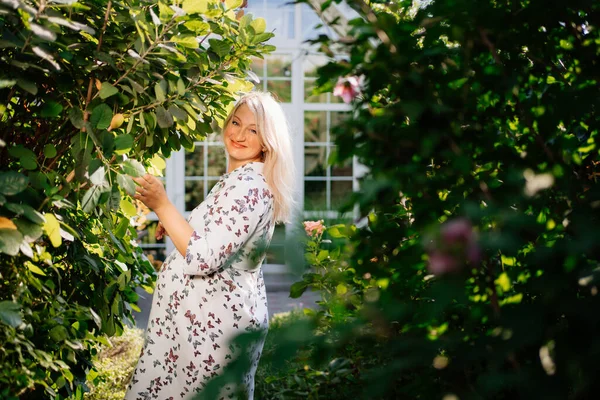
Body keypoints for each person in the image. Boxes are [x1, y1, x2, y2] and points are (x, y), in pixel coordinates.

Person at [125, 91, 295, 400]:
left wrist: (162, 205)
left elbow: (204, 259)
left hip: (208, 337)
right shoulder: (238, 179)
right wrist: (179, 222)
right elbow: (217, 239)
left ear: (267, 140)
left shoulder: (249, 185)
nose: (239, 134)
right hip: (197, 334)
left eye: (253, 130)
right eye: (236, 122)